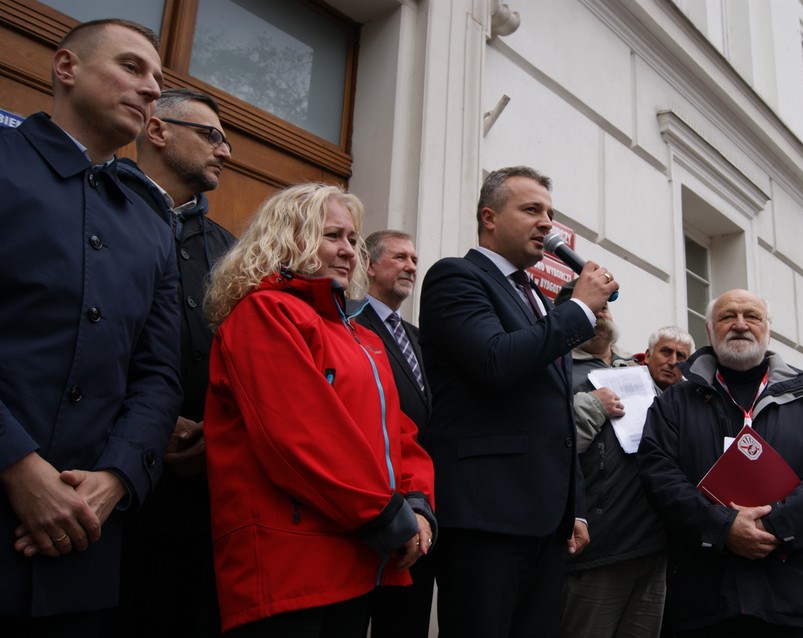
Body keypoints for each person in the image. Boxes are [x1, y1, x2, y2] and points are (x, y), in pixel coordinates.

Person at [0, 19, 181, 636]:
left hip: (87, 544)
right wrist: (18, 465)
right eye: (133, 68)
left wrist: (116, 478)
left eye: (157, 78)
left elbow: (158, 374)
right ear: (66, 67)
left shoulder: (153, 223)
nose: (152, 89)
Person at [202, 183, 436, 636]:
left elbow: (401, 435)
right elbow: (301, 437)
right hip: (291, 567)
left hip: (358, 559)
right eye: (333, 236)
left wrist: (418, 502)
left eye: (352, 239)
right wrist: (388, 517)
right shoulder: (265, 313)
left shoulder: (361, 337)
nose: (349, 251)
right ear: (289, 237)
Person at [419, 165, 619, 638]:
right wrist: (580, 309)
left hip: (545, 519)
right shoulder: (456, 277)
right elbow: (494, 362)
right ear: (489, 218)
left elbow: (556, 410)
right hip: (486, 513)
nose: (547, 224)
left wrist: (575, 505)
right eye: (531, 210)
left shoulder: (538, 299)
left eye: (550, 214)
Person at [638, 289, 803, 637]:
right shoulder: (674, 402)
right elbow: (659, 475)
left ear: (767, 329)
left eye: (751, 316)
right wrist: (723, 527)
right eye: (727, 317)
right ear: (710, 331)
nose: (740, 324)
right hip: (704, 600)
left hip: (794, 600)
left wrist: (775, 526)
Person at [115, 88, 236, 636]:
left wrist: (218, 430)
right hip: (99, 481)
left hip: (201, 495)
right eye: (211, 135)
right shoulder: (103, 206)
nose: (226, 151)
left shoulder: (231, 250)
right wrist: (146, 425)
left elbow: (243, 362)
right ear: (159, 131)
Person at [557, 285, 693, 638]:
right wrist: (590, 407)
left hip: (653, 547)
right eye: (591, 306)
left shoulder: (639, 374)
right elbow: (548, 449)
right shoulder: (555, 370)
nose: (601, 312)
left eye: (606, 307)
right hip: (598, 549)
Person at [353, 230, 434, 638]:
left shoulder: (418, 337)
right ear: (368, 264)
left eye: (415, 259)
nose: (411, 266)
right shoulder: (348, 320)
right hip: (370, 506)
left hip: (417, 509)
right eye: (400, 257)